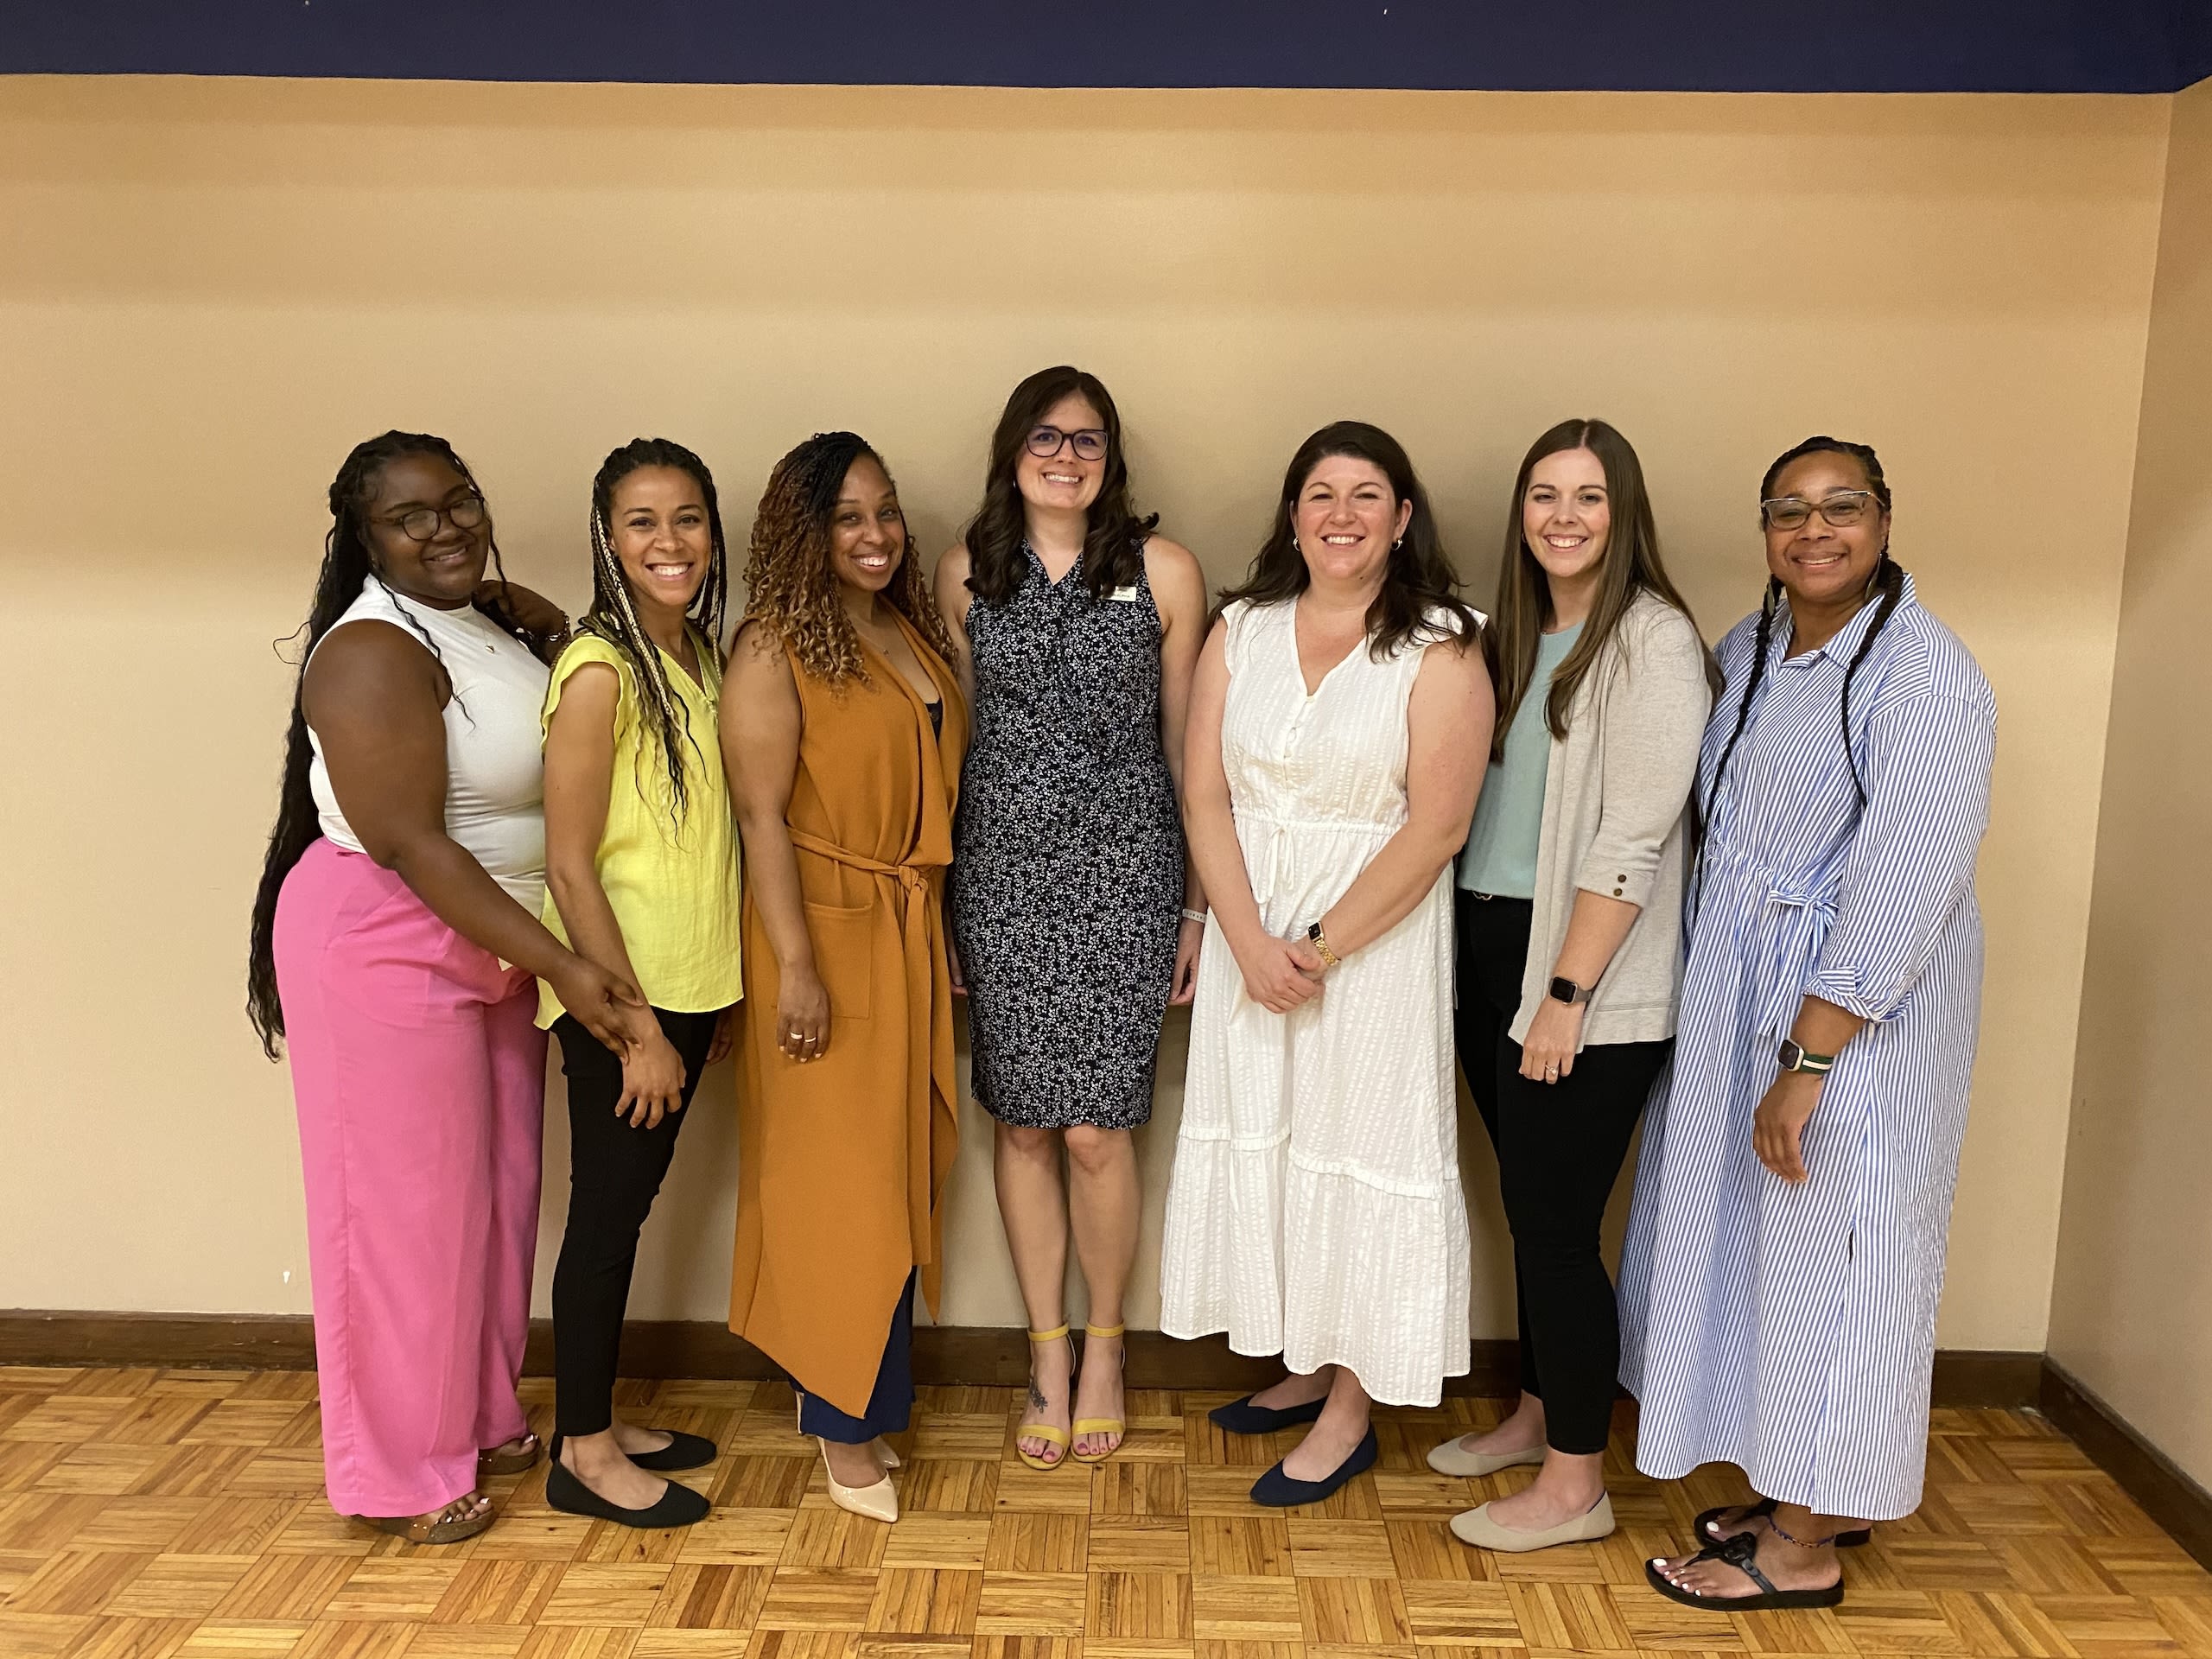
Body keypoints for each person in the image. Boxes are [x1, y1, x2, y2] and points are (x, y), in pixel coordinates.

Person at [246, 431, 649, 1545]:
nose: (447, 528)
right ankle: (394, 1472)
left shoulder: (483, 615)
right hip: (386, 942)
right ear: (364, 538)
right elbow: (418, 845)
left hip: (496, 946)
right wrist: (573, 965)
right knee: (398, 1218)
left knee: (494, 1197)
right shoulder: (368, 651)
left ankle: (475, 1412)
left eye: (459, 501)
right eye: (411, 517)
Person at [1624, 437, 1996, 1611]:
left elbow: (1908, 873)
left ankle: (1802, 1552)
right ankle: (1801, 1489)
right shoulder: (1749, 648)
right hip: (1744, 991)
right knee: (1765, 1256)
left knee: (1846, 1259)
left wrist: (1812, 1055)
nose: (1815, 530)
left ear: (1886, 517)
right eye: (1790, 511)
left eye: (1842, 508)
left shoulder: (1924, 675)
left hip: (1850, 1021)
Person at [1159, 421, 1493, 1505]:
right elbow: (1203, 792)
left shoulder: (1443, 641)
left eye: (1365, 495)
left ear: (1402, 518)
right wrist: (1245, 938)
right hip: (1253, 929)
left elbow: (1436, 828)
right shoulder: (1239, 630)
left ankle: (1350, 1408)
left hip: (1374, 952)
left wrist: (1313, 948)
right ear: (1291, 515)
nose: (1339, 514)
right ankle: (1304, 1359)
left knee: (1356, 1153)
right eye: (1318, 494)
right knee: (1280, 1145)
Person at [1427, 419, 1714, 1552]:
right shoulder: (1505, 635)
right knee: (1527, 1208)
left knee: (1555, 1227)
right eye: (1544, 493)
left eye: (1588, 497)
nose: (1563, 516)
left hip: (1581, 979)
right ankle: (1540, 1414)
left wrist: (1568, 994)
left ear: (1624, 511)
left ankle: (1576, 1485)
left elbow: (1633, 840)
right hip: (1487, 947)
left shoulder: (1650, 641)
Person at [936, 367, 1209, 1471]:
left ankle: (1106, 1347)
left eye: (1087, 439)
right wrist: (943, 902)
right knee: (1021, 1125)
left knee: (1098, 1130)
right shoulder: (965, 571)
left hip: (1129, 874)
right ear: (1012, 452)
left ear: (1111, 459)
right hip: (998, 875)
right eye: (1045, 438)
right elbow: (945, 745)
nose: (1066, 456)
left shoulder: (1163, 571)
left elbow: (1192, 748)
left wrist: (1197, 904)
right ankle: (1041, 1351)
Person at [721, 431, 969, 1525]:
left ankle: (861, 1405)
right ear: (803, 531)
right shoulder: (775, 648)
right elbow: (760, 816)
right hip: (823, 932)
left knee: (895, 1165)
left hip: (903, 928)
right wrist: (796, 968)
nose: (873, 535)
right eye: (846, 518)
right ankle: (837, 1428)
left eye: (885, 511)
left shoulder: (899, 628)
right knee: (838, 1185)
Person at [537, 438, 744, 1529]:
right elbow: (570, 863)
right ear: (607, 539)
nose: (669, 543)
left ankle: (601, 1418)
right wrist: (635, 1028)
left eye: (687, 520)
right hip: (625, 1002)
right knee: (608, 1220)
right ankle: (581, 1451)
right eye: (641, 523)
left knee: (629, 1209)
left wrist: (707, 1003)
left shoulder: (698, 660)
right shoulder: (599, 671)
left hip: (690, 985)